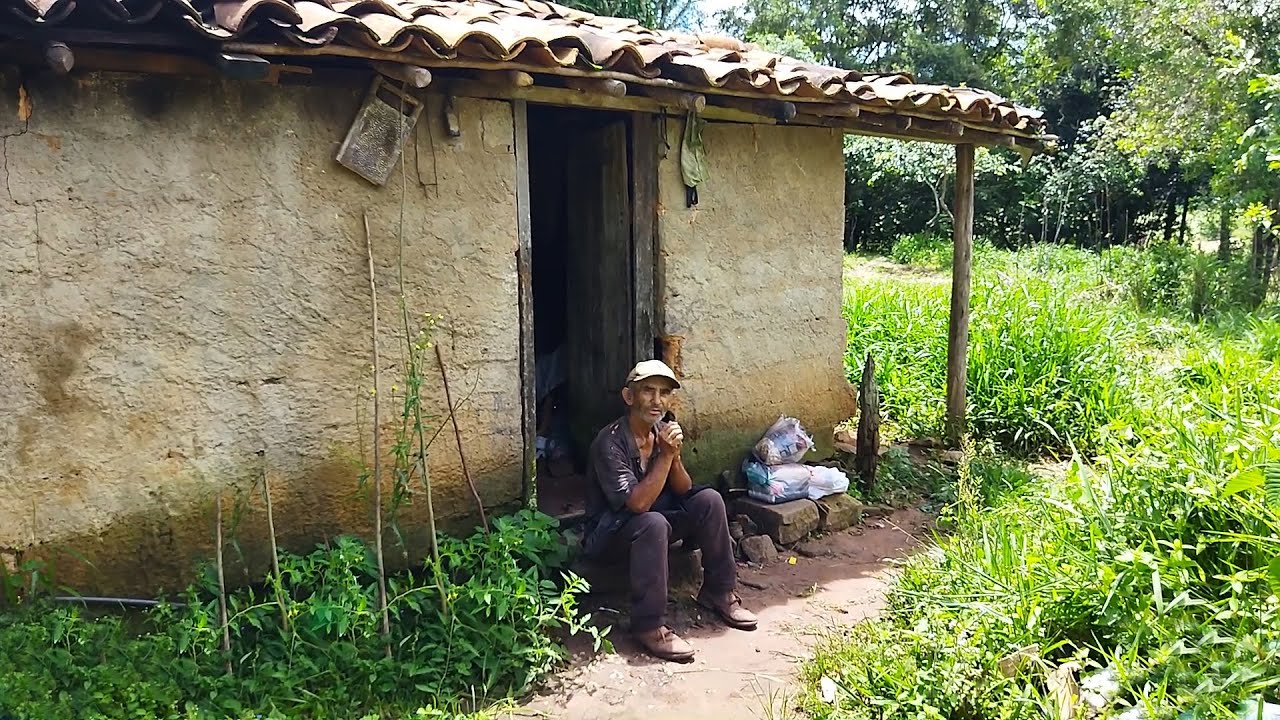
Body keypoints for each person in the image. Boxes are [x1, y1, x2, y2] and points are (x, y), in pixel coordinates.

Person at [582, 360, 757, 662]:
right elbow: (636, 504)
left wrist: (673, 456)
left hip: (650, 523)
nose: (657, 400)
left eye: (664, 393)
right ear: (628, 397)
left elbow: (683, 488)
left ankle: (720, 592)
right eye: (648, 391)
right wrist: (664, 456)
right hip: (608, 535)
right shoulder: (609, 442)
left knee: (710, 501)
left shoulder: (661, 432)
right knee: (653, 523)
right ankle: (648, 626)